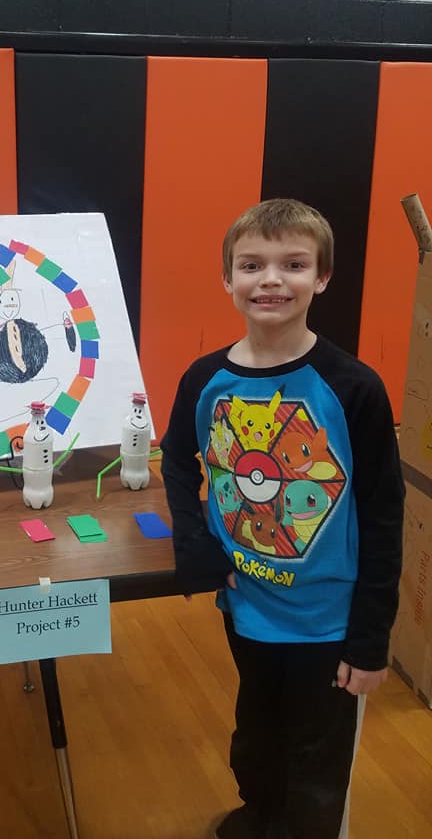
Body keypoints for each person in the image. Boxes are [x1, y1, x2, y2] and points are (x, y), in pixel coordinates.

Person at [160, 198, 404, 839]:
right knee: (257, 737)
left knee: (316, 764)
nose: (271, 279)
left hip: (329, 621)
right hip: (246, 605)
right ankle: (260, 815)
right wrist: (195, 543)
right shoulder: (206, 378)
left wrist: (371, 638)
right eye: (252, 265)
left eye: (293, 264)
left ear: (322, 277)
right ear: (228, 279)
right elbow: (179, 462)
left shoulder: (353, 387)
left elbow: (383, 514)